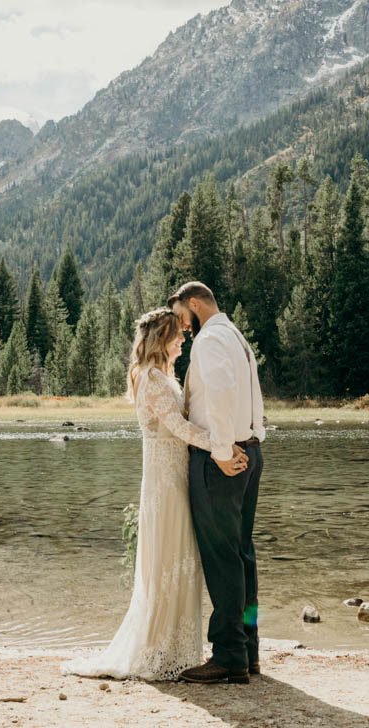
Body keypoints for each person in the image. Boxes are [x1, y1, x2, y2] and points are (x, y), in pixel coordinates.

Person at [62, 307, 247, 681]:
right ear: (162, 339)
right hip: (165, 483)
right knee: (168, 560)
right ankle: (159, 649)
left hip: (175, 477)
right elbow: (177, 426)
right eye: (177, 335)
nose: (182, 340)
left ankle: (175, 647)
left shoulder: (162, 377)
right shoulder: (151, 378)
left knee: (180, 558)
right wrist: (220, 446)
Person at [167, 280, 266, 685]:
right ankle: (249, 648)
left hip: (222, 459)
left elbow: (222, 396)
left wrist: (223, 452)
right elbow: (252, 397)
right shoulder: (236, 336)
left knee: (222, 557)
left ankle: (228, 655)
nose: (181, 326)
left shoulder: (209, 340)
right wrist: (246, 443)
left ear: (194, 304)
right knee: (242, 554)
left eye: (180, 316)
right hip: (251, 450)